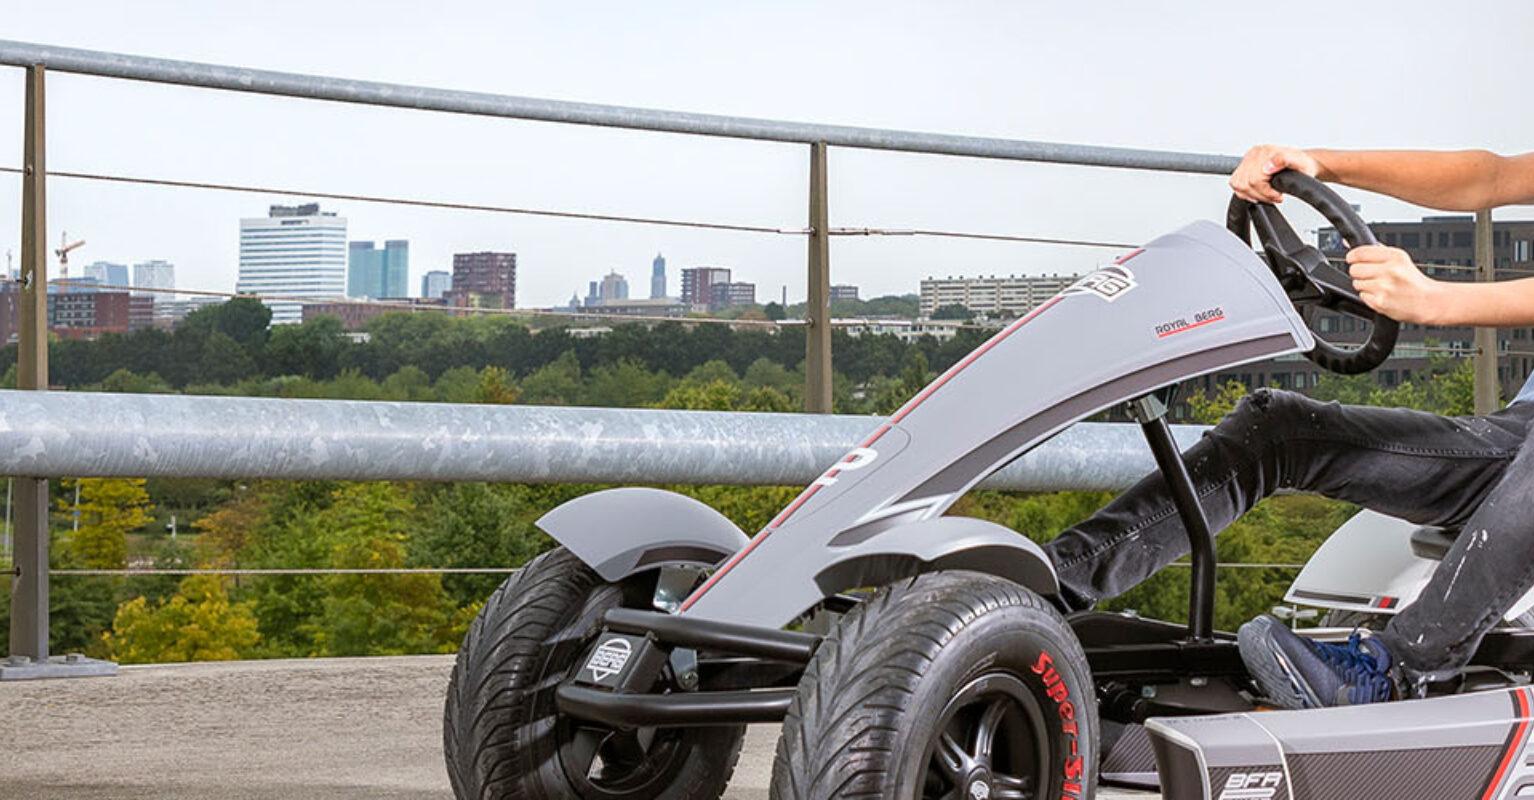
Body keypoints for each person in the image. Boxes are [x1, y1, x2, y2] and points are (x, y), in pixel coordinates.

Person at [1043, 145, 1534, 709]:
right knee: (1277, 428)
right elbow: (1491, 176)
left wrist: (1435, 299)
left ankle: (1399, 671)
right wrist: (1320, 164)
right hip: (1517, 438)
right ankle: (1043, 590)